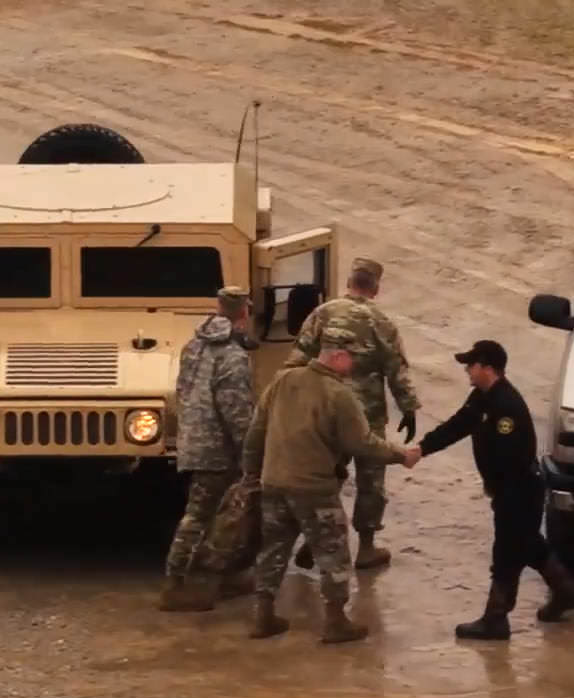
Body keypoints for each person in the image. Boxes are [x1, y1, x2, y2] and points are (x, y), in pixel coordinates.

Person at [243, 326, 421, 644]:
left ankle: (263, 615)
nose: (353, 364)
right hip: (313, 488)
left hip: (274, 483)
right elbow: (362, 443)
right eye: (351, 357)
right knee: (333, 553)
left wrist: (251, 475)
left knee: (273, 548)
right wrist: (400, 454)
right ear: (338, 356)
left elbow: (256, 432)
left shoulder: (283, 380)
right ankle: (336, 621)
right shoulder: (338, 394)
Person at [416, 340, 574, 639]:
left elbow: (512, 458)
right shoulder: (482, 397)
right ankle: (565, 591)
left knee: (506, 551)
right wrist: (422, 449)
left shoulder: (506, 406)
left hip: (519, 490)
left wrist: (503, 496)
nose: (467, 370)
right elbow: (458, 425)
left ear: (488, 368)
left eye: (472, 365)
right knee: (528, 543)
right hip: (509, 490)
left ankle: (496, 617)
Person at [287, 256, 421, 571]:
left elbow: (297, 358)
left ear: (350, 283)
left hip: (326, 409)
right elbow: (396, 371)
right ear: (375, 288)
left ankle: (315, 538)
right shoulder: (381, 322)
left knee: (327, 473)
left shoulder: (322, 313)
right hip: (367, 414)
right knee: (370, 479)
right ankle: (367, 548)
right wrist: (409, 409)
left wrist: (294, 401)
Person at [159, 286, 260, 611]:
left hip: (194, 441)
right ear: (244, 313)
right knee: (204, 516)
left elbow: (183, 390)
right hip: (218, 450)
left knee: (221, 514)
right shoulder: (232, 356)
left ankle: (224, 576)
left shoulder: (194, 346)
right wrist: (251, 454)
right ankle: (176, 586)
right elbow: (237, 412)